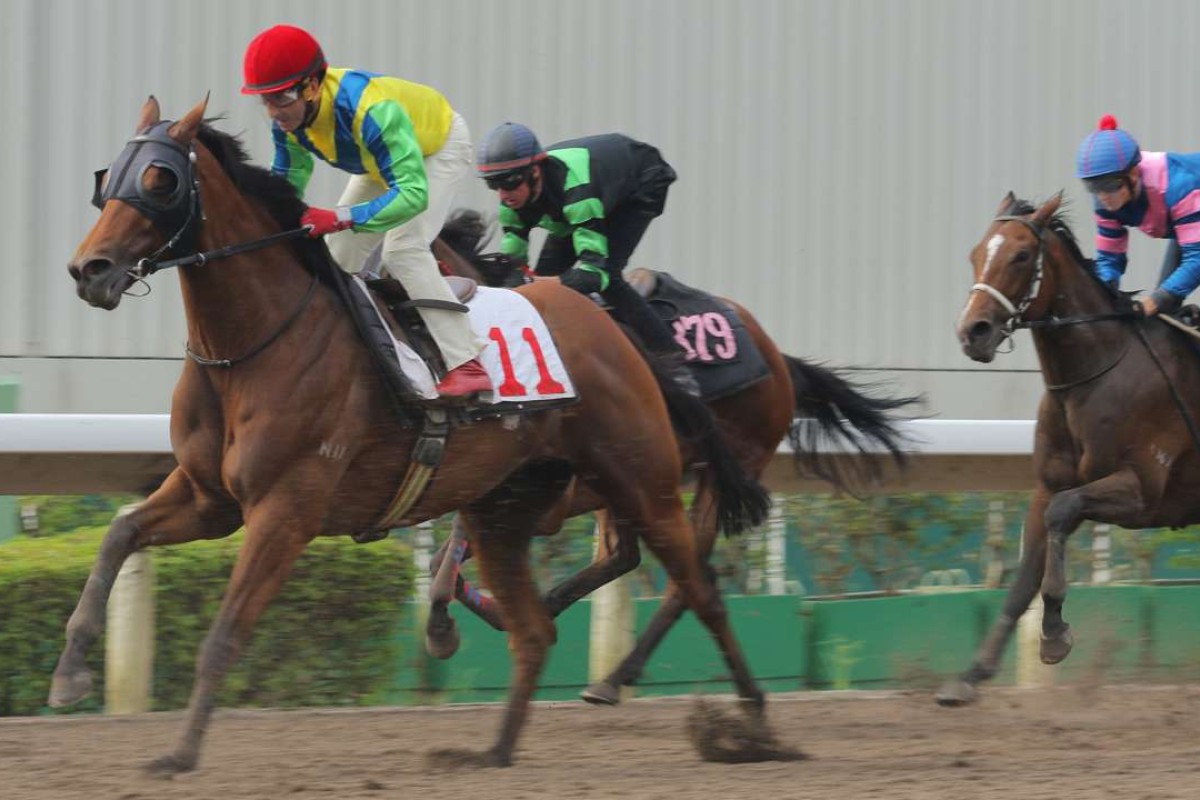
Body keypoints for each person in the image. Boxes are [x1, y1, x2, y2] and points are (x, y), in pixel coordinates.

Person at [240, 24, 487, 397]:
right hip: (380, 162)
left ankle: (467, 362)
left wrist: (341, 217)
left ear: (312, 86)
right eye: (266, 100)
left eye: (282, 97)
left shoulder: (372, 111)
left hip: (437, 148)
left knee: (403, 249)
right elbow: (288, 180)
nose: (274, 111)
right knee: (338, 255)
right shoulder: (289, 122)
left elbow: (413, 194)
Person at [475, 122, 699, 394]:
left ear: (535, 172)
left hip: (640, 183)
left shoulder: (578, 196)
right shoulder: (512, 201)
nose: (503, 193)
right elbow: (511, 269)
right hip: (576, 200)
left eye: (509, 181)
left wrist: (549, 283)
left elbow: (595, 275)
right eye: (493, 184)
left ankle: (674, 365)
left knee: (611, 278)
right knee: (541, 285)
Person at [1077, 114, 1200, 317]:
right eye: (1093, 187)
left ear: (1133, 173)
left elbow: (1197, 260)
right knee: (1165, 312)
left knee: (1161, 300)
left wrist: (1154, 301)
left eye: (1109, 185)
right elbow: (1109, 258)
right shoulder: (1104, 202)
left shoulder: (1179, 186)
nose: (1103, 196)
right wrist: (1105, 294)